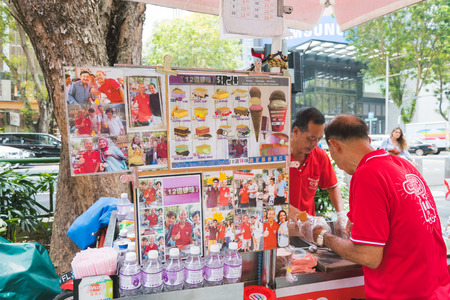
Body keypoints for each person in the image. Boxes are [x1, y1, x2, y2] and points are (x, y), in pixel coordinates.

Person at [305, 114, 450, 299]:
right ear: (368, 140)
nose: (336, 163)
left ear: (335, 146)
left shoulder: (367, 174)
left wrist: (323, 237)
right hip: (436, 289)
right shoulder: (403, 165)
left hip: (402, 293)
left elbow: (368, 257)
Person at [289, 107, 346, 235]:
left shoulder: (319, 156)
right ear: (296, 131)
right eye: (310, 138)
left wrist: (341, 215)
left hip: (307, 230)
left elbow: (332, 187)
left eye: (319, 139)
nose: (314, 143)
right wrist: (299, 216)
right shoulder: (279, 156)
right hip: (281, 227)